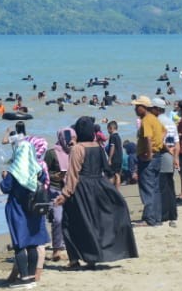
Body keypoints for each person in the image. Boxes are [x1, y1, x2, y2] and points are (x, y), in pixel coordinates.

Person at [54, 116, 137, 268]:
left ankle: (74, 259)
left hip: (81, 188)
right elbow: (107, 169)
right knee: (95, 222)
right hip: (99, 185)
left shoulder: (77, 149)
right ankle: (93, 256)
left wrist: (64, 195)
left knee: (69, 222)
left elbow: (73, 175)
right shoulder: (98, 147)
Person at [0, 135, 50, 286]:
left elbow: (5, 187)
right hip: (33, 209)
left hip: (17, 209)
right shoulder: (38, 170)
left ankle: (24, 277)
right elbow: (42, 182)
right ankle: (31, 277)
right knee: (32, 243)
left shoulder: (14, 172)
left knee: (19, 243)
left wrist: (4, 177)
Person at [131, 95, 165, 226]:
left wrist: (150, 153)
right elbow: (164, 132)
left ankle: (150, 218)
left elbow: (148, 138)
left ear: (143, 107)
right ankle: (156, 218)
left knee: (147, 188)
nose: (135, 109)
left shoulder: (146, 120)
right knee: (155, 188)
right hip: (157, 156)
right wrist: (158, 146)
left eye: (137, 106)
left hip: (149, 157)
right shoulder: (154, 119)